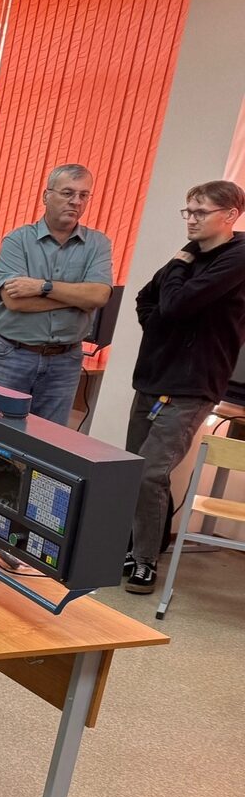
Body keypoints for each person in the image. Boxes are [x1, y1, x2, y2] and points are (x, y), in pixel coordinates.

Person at [121, 179, 245, 595]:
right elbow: (146, 298)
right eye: (188, 212)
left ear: (230, 215)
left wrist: (181, 258)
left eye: (200, 212)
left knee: (151, 472)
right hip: (153, 377)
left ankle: (145, 561)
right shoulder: (190, 255)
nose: (190, 220)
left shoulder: (238, 257)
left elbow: (177, 303)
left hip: (194, 385)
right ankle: (137, 547)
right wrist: (162, 325)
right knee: (135, 469)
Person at [0, 164, 115, 424]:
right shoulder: (17, 240)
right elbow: (14, 301)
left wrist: (42, 287)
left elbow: (99, 296)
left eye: (83, 195)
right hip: (12, 356)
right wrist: (76, 299)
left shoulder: (98, 244)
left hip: (65, 361)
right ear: (46, 196)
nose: (76, 201)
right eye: (68, 193)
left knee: (47, 439)